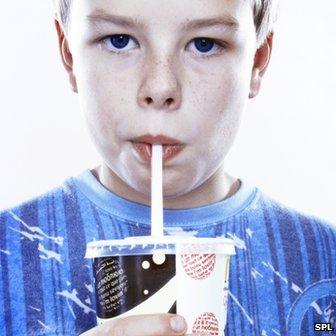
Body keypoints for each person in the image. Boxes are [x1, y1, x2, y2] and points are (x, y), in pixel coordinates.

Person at [0, 0, 335, 335]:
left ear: (256, 62)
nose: (160, 89)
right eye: (119, 40)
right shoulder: (8, 252)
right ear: (70, 55)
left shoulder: (326, 260)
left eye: (205, 44)